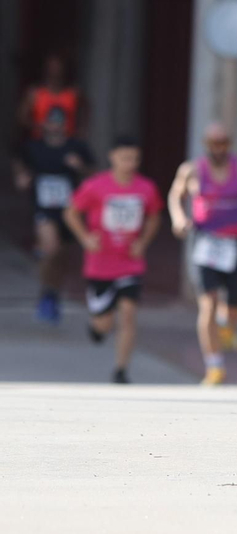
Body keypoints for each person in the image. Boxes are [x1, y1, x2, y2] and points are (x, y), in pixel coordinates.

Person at [168, 124, 237, 385]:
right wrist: (180, 217)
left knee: (232, 310)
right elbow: (176, 194)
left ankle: (226, 324)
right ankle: (214, 366)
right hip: (205, 242)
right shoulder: (192, 170)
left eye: (224, 142)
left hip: (234, 243)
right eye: (214, 143)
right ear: (206, 144)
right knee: (208, 302)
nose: (219, 148)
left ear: (230, 144)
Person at [63, 135, 161, 383]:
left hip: (130, 262)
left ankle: (121, 370)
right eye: (125, 158)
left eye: (135, 158)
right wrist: (85, 238)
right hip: (100, 264)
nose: (130, 163)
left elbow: (154, 216)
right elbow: (71, 213)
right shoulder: (95, 186)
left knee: (128, 313)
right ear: (113, 157)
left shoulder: (146, 188)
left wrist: (143, 241)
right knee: (104, 324)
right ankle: (97, 329)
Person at [12, 108, 94, 323]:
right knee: (51, 249)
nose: (55, 126)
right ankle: (47, 292)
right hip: (44, 208)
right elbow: (19, 164)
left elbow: (94, 175)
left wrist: (81, 167)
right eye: (51, 121)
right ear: (44, 124)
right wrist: (21, 177)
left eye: (60, 122)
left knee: (60, 257)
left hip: (69, 211)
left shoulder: (77, 147)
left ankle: (52, 293)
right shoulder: (33, 148)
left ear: (65, 125)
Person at [15, 53, 82, 140]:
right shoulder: (35, 93)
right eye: (52, 67)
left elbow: (85, 109)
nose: (55, 70)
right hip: (40, 142)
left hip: (67, 143)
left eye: (58, 67)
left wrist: (81, 131)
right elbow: (21, 118)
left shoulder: (73, 94)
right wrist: (40, 126)